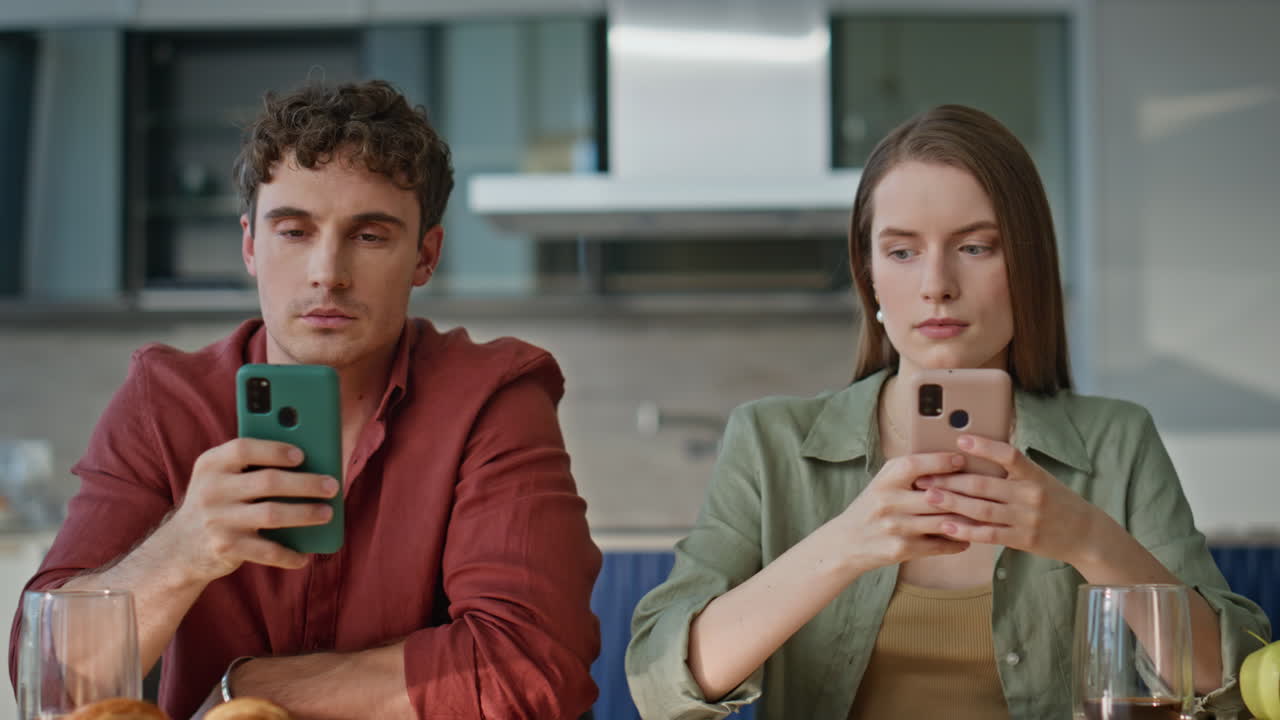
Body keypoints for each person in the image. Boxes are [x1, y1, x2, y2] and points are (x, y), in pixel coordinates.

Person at [625, 105, 1270, 719]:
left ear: (1027, 266)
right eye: (902, 251)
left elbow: (1234, 690)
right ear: (869, 274)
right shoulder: (769, 442)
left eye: (976, 247)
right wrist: (845, 545)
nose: (936, 283)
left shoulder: (1117, 442)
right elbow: (661, 684)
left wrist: (1088, 539)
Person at [7, 80, 601, 720]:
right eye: (293, 231)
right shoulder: (166, 401)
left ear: (424, 256)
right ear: (250, 246)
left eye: (370, 236)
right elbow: (51, 681)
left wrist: (254, 690)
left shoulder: (491, 396)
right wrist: (180, 551)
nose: (327, 271)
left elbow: (534, 668)